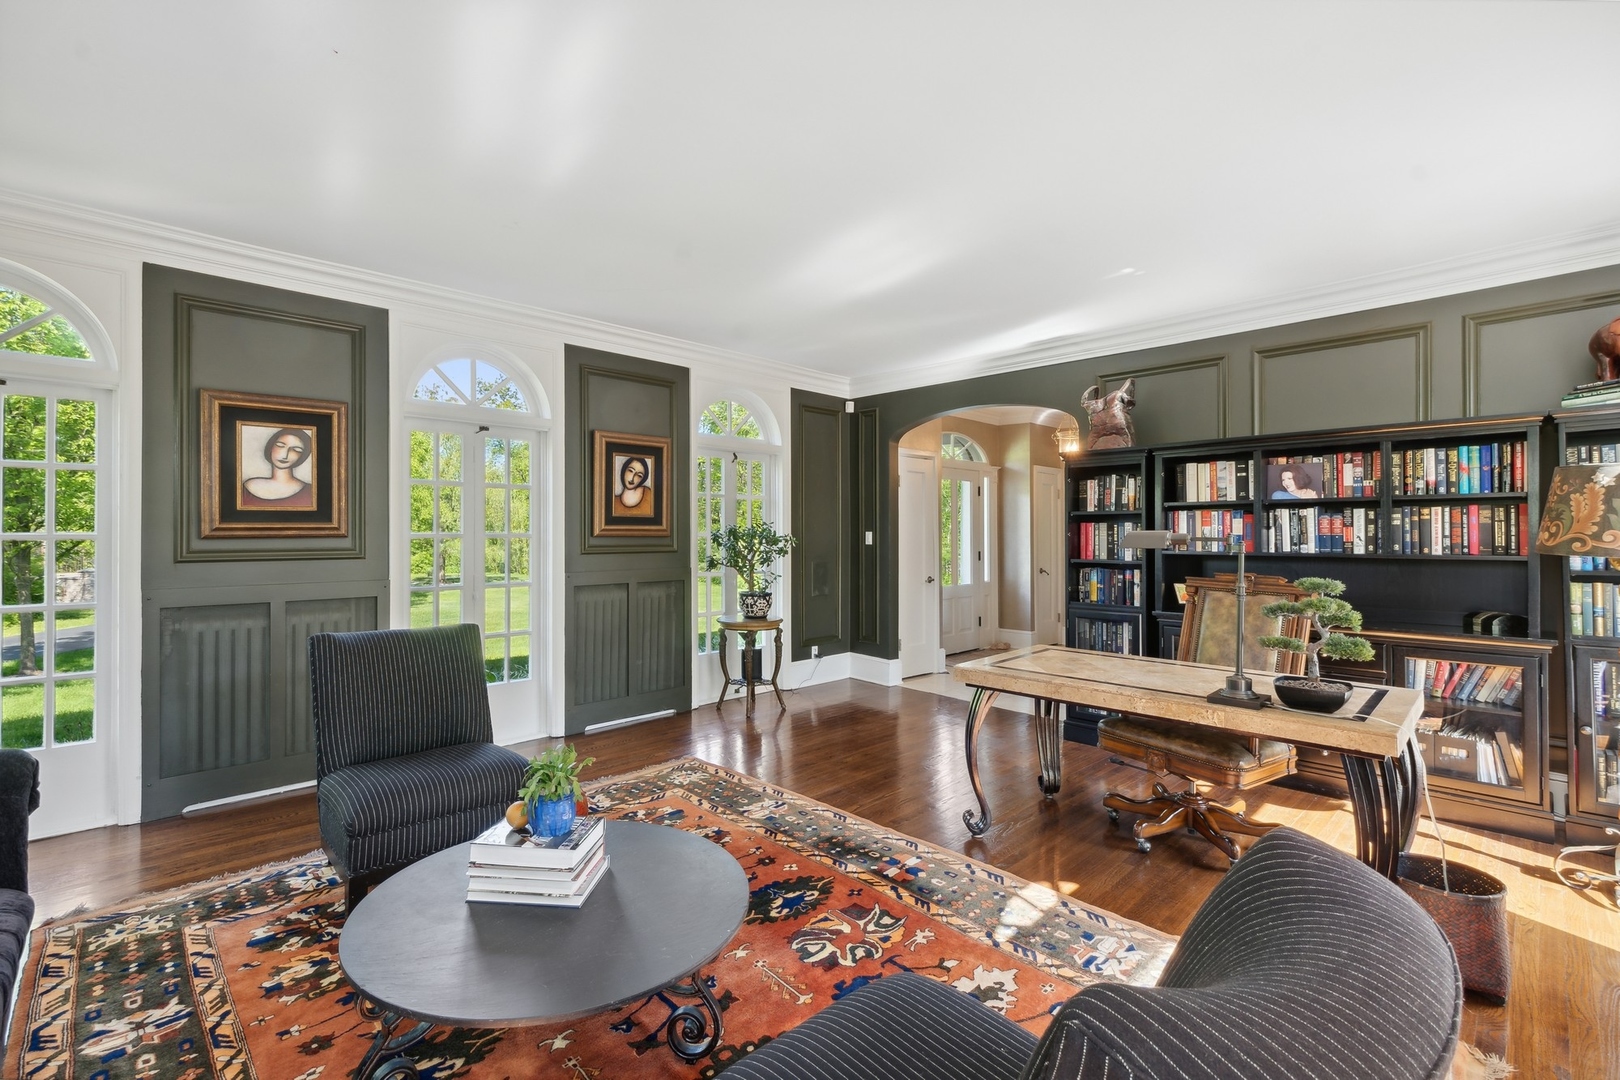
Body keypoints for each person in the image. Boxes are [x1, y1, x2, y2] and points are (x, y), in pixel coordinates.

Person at [241, 427, 316, 508]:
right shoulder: (247, 487)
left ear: (302, 456)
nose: (285, 455)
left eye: (296, 450)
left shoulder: (310, 492)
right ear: (270, 448)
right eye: (280, 445)